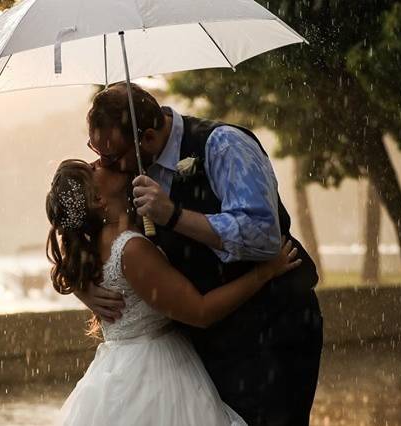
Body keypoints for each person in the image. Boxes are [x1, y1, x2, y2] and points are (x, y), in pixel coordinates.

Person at [78, 83, 323, 426]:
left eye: (113, 155)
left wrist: (174, 215)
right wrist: (82, 285)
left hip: (270, 327)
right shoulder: (131, 170)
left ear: (147, 137)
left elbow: (263, 236)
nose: (106, 163)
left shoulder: (223, 145)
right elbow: (75, 218)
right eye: (97, 151)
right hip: (202, 346)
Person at [46, 159, 302, 426]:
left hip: (117, 365)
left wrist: (80, 288)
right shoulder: (130, 249)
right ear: (99, 199)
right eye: (93, 169)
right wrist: (264, 273)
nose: (100, 161)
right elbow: (200, 311)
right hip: (152, 371)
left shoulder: (97, 244)